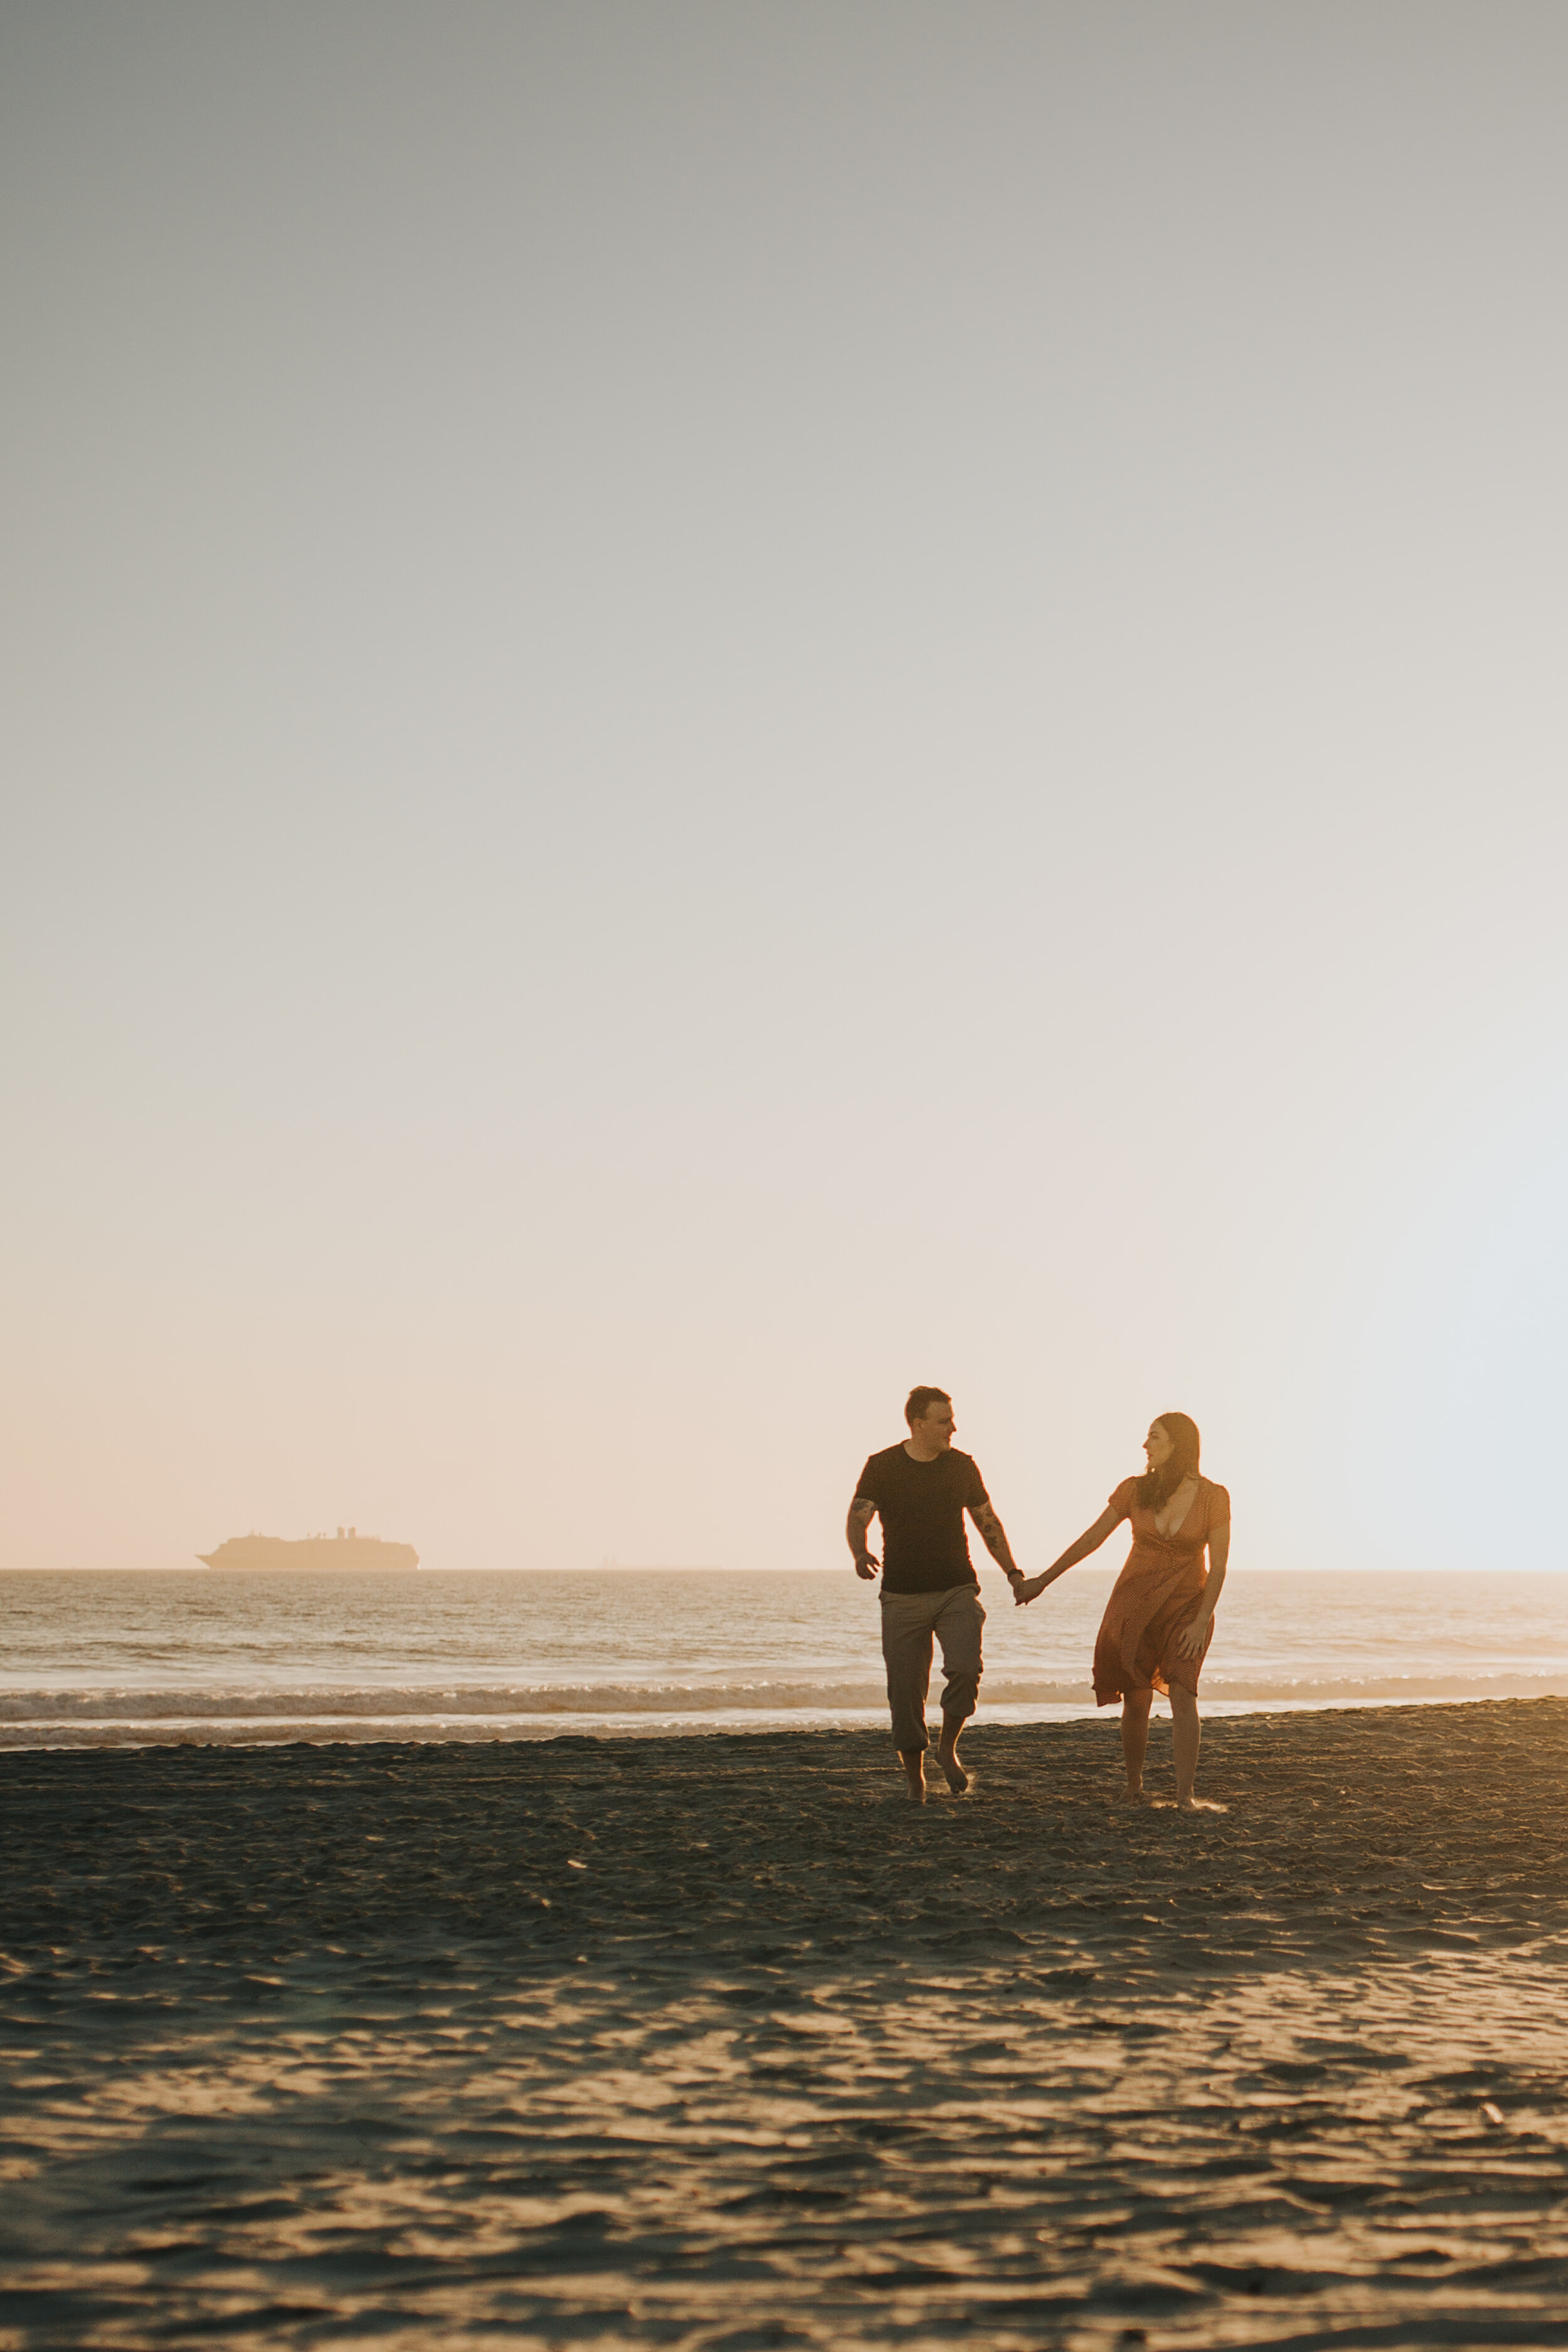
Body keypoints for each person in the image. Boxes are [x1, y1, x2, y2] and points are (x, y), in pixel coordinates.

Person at [1015, 1413, 1229, 1810]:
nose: (1145, 1445)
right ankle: (1134, 1786)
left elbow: (1217, 1567)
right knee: (1136, 1698)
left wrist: (1201, 1622)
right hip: (1133, 1606)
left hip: (1187, 1607)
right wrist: (1043, 1581)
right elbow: (1092, 1539)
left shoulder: (1215, 1497)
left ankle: (1186, 1796)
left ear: (1178, 1445)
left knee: (1184, 1691)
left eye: (1154, 1437)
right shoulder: (1134, 1490)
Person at [847, 1387, 1025, 1802]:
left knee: (965, 1669)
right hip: (902, 1596)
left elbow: (987, 1522)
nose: (954, 1427)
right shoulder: (883, 1466)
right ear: (918, 1423)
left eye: (952, 1418)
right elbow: (858, 1516)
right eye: (944, 1421)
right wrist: (860, 1552)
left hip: (956, 1590)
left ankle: (947, 1748)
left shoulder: (961, 1467)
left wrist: (1013, 1572)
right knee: (905, 1692)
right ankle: (916, 1780)